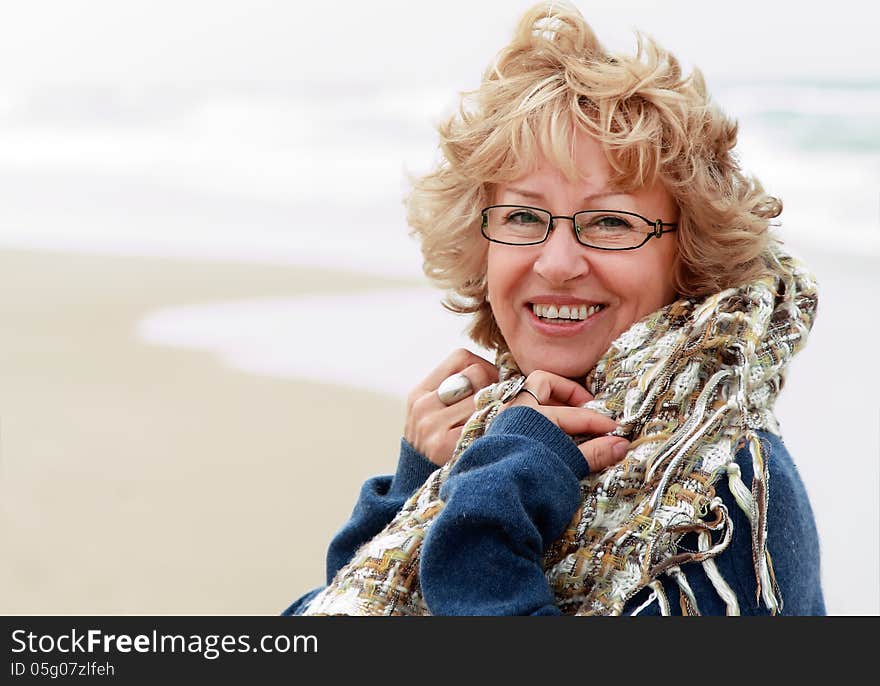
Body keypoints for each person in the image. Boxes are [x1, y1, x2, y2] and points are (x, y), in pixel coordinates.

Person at [282, 1, 825, 616]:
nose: (557, 262)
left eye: (611, 222)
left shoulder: (719, 490)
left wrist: (488, 512)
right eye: (521, 216)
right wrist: (416, 491)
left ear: (690, 256)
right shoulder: (508, 434)